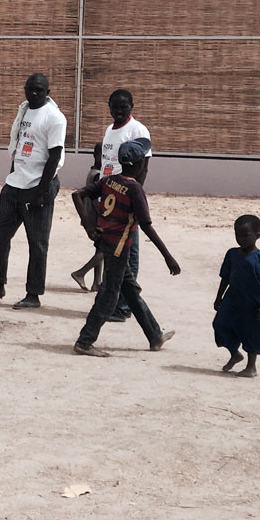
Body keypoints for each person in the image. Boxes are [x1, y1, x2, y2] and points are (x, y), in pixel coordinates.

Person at [72, 141, 180, 358]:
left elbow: (77, 195)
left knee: (130, 290)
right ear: (140, 165)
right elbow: (146, 226)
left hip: (106, 243)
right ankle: (85, 341)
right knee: (109, 295)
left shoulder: (109, 180)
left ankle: (154, 336)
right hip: (119, 248)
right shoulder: (134, 189)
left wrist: (89, 225)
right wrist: (168, 256)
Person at [0, 73, 67, 309]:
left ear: (48, 93)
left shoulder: (54, 118)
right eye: (30, 89)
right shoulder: (23, 110)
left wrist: (41, 192)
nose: (34, 93)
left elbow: (54, 156)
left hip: (38, 186)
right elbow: (18, 146)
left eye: (39, 90)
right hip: (15, 184)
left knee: (37, 243)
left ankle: (33, 294)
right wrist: (13, 173)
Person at [98, 89, 152, 320]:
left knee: (129, 254)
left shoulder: (137, 130)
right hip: (109, 198)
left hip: (126, 201)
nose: (119, 111)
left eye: (123, 107)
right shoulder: (109, 130)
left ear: (132, 106)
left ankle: (123, 307)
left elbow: (144, 167)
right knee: (113, 253)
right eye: (115, 107)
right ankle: (111, 302)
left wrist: (133, 198)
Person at [214, 214, 260, 378]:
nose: (241, 239)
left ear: (257, 235)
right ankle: (234, 353)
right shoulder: (232, 254)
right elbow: (225, 277)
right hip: (231, 300)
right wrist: (219, 297)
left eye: (246, 235)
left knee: (251, 332)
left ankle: (251, 367)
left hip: (252, 303)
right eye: (238, 235)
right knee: (219, 324)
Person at [69, 142, 106, 292]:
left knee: (99, 247)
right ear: (95, 155)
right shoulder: (97, 175)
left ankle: (97, 282)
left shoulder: (93, 172)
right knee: (107, 248)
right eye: (102, 155)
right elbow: (95, 200)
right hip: (95, 216)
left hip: (91, 215)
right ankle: (81, 273)